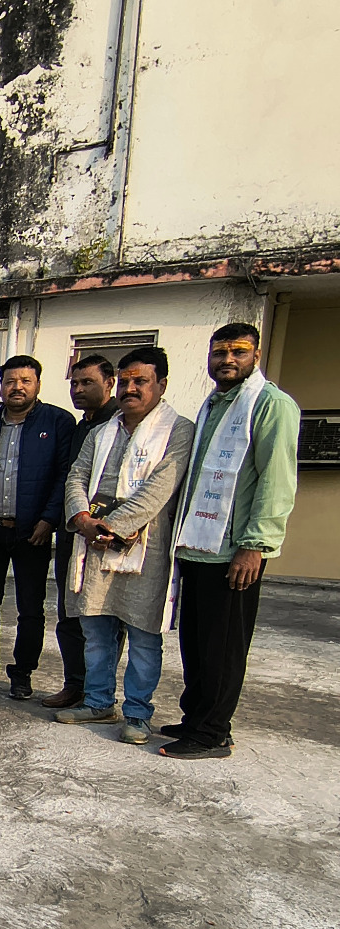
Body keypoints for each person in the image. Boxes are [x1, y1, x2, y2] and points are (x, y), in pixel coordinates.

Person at [161, 322, 300, 760]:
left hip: (235, 550)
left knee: (223, 646)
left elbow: (276, 481)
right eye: (219, 352)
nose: (227, 360)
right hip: (200, 546)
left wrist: (255, 545)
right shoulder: (214, 404)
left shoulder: (271, 405)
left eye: (238, 352)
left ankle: (213, 733)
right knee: (197, 642)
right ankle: (197, 716)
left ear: (255, 356)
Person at [57, 345, 196, 744]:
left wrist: (116, 526)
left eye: (142, 381)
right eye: (126, 381)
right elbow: (76, 476)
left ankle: (137, 713)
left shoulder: (178, 430)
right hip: (95, 544)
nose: (130, 389)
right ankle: (99, 702)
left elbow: (162, 486)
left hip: (145, 547)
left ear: (161, 384)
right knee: (96, 631)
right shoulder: (102, 431)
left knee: (143, 635)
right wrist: (83, 519)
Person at [0, 354, 74, 700]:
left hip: (33, 531)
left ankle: (22, 673)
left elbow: (65, 476)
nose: (17, 387)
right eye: (11, 381)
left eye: (25, 381)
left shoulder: (58, 422)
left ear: (38, 385)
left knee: (30, 608)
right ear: (1, 387)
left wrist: (49, 519)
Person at [43, 355, 120, 710]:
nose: (78, 390)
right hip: (72, 533)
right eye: (74, 383)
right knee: (70, 612)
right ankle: (75, 683)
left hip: (110, 536)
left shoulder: (120, 426)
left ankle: (99, 692)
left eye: (87, 382)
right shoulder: (78, 428)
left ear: (110, 383)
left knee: (104, 617)